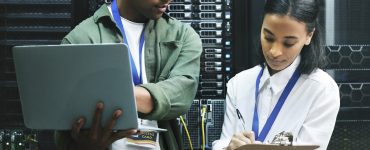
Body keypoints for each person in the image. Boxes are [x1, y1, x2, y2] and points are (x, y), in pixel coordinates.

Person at [55, 0, 202, 149]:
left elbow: (182, 94)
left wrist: (112, 97)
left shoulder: (182, 36)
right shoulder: (79, 40)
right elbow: (63, 129)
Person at [212, 0, 339, 149]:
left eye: (288, 43)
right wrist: (228, 147)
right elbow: (224, 140)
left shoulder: (321, 90)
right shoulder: (239, 84)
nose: (274, 52)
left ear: (309, 36)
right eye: (269, 38)